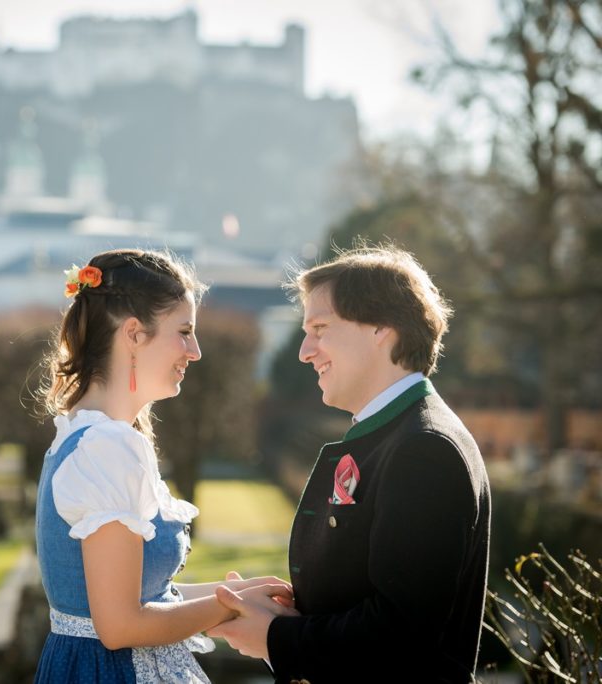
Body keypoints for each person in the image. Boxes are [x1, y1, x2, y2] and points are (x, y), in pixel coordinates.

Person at [209, 245, 491, 683]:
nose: (305, 351)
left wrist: (276, 638)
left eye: (320, 328)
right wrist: (287, 614)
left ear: (383, 328)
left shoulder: (424, 449)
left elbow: (400, 635)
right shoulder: (398, 436)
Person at [34, 249, 291, 683]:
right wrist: (230, 604)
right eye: (185, 331)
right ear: (133, 334)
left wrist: (242, 592)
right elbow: (121, 627)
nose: (195, 351)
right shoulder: (108, 447)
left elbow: (148, 596)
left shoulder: (89, 434)